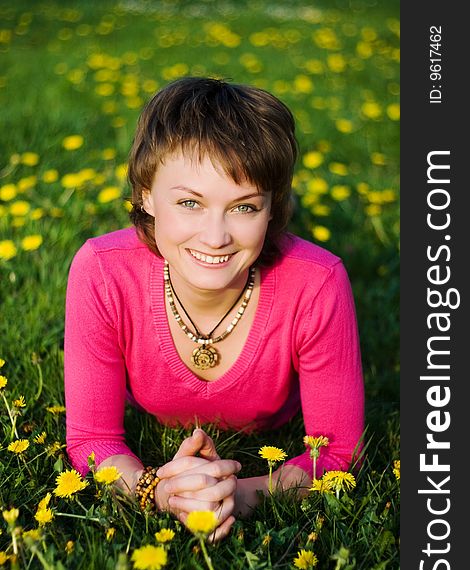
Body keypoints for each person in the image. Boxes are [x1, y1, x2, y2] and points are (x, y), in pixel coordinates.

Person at [64, 77, 364, 542]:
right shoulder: (103, 273)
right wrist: (159, 491)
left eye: (244, 208)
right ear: (146, 194)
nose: (215, 236)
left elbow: (339, 451)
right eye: (190, 202)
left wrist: (236, 495)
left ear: (271, 208)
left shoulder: (317, 283)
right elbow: (91, 439)